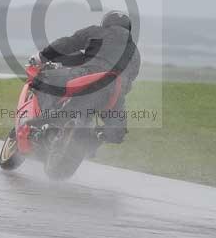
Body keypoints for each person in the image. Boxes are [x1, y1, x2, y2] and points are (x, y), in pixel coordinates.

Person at [29, 10, 141, 143]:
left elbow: (68, 43)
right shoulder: (135, 52)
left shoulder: (98, 32)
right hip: (115, 92)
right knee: (116, 131)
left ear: (106, 23)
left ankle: (45, 121)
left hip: (89, 75)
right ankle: (96, 138)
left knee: (43, 80)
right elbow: (131, 78)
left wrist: (42, 56)